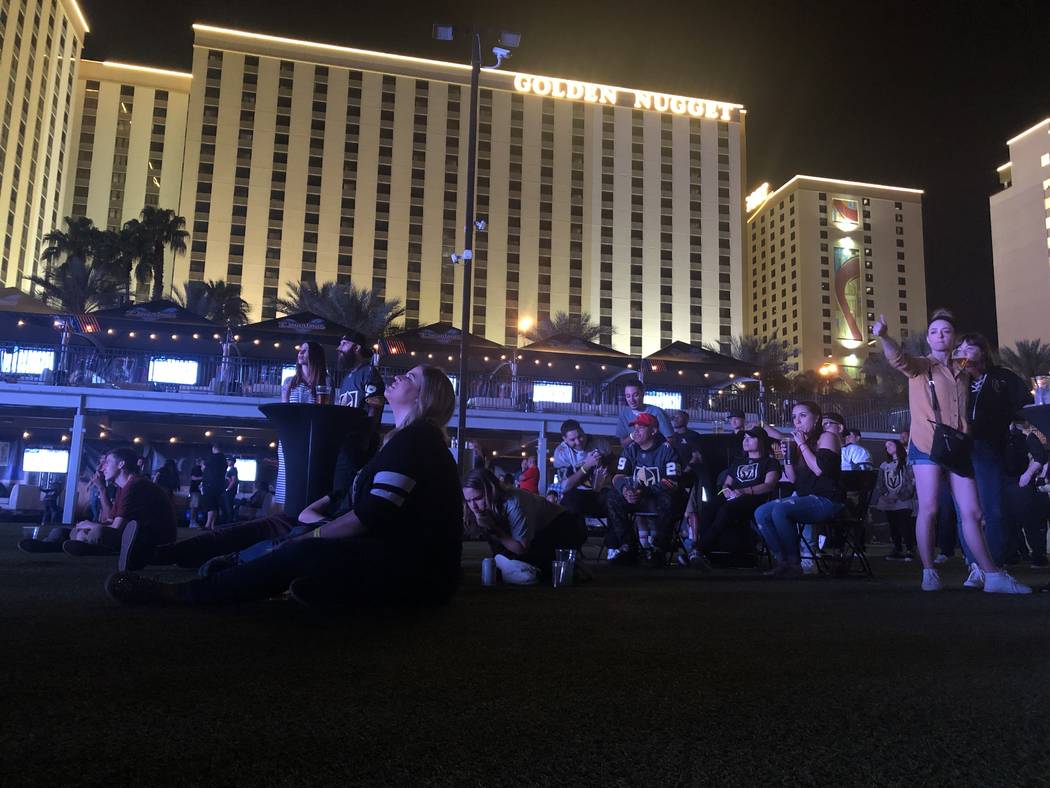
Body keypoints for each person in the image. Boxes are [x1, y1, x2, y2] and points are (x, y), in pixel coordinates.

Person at [106, 365, 463, 609]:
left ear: (424, 396)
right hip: (400, 560)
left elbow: (374, 514)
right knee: (287, 536)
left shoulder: (418, 441)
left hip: (418, 573)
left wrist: (314, 536)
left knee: (300, 550)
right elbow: (358, 500)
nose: (399, 376)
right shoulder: (403, 441)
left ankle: (182, 593)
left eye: (411, 377)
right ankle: (316, 588)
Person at [874, 310, 1029, 593]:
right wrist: (884, 336)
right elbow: (898, 359)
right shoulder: (921, 366)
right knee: (930, 508)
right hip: (926, 445)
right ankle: (929, 571)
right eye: (934, 331)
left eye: (945, 331)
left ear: (954, 337)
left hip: (958, 446)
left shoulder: (963, 370)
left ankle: (991, 575)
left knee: (973, 511)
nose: (940, 335)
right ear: (929, 338)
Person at [952, 332, 1032, 574]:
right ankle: (973, 565)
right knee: (964, 510)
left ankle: (994, 564)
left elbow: (1025, 406)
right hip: (960, 448)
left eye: (970, 347)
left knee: (993, 508)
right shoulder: (955, 378)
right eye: (960, 348)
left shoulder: (1001, 378)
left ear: (983, 351)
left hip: (989, 447)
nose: (964, 351)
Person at [125, 487, 349, 572]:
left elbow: (306, 514)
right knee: (227, 535)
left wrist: (331, 496)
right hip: (299, 526)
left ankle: (152, 554)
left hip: (301, 530)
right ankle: (160, 555)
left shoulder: (355, 512)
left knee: (229, 536)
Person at [756, 402, 845, 579]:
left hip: (828, 499)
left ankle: (794, 563)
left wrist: (802, 445)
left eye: (803, 416)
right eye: (794, 417)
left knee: (781, 509)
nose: (797, 421)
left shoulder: (827, 437)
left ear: (817, 418)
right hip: (805, 497)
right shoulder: (799, 443)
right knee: (762, 512)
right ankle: (782, 561)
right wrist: (787, 457)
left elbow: (819, 469)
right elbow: (793, 479)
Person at [55, 447, 176, 570]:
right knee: (67, 531)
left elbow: (116, 527)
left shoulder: (135, 485)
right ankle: (61, 543)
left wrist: (89, 525)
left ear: (121, 464)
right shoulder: (122, 487)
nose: (102, 468)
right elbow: (109, 518)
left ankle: (88, 545)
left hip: (154, 540)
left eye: (107, 462)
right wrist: (102, 489)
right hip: (133, 535)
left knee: (97, 532)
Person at [463, 468, 587, 584]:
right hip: (533, 535)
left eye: (478, 498)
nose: (473, 506)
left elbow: (521, 548)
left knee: (536, 571)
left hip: (561, 528)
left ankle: (572, 567)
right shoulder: (479, 508)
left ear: (491, 491)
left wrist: (494, 528)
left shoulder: (513, 501)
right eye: (468, 500)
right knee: (504, 564)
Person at [686, 426, 780, 566]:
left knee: (726, 510)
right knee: (708, 508)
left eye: (750, 438)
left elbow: (769, 485)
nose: (745, 441)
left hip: (754, 499)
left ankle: (698, 550)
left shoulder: (770, 462)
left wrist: (743, 491)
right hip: (732, 496)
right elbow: (726, 484)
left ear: (761, 441)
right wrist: (727, 492)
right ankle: (705, 552)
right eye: (744, 438)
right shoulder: (738, 462)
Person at [605, 412, 685, 567]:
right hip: (636, 497)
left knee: (668, 498)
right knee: (612, 497)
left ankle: (659, 550)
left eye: (641, 428)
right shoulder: (630, 449)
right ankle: (628, 547)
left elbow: (672, 482)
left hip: (658, 498)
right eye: (635, 428)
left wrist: (644, 491)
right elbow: (618, 476)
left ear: (654, 431)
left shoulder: (667, 449)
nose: (636, 431)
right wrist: (625, 491)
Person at [275, 340, 329, 508]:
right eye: (300, 350)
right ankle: (286, 513)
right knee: (287, 475)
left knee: (308, 477)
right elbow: (284, 413)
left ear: (315, 355)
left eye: (305, 350)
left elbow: (326, 411)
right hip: (290, 436)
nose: (300, 353)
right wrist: (284, 397)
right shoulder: (289, 382)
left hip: (312, 437)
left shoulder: (325, 381)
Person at [332, 332, 386, 499]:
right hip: (345, 444)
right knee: (339, 490)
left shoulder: (369, 372)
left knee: (349, 493)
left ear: (356, 347)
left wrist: (366, 439)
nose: (338, 348)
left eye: (343, 344)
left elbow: (374, 407)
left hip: (359, 445)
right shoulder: (347, 378)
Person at [1003, 422, 1050, 571]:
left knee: (1029, 521)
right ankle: (1018, 554)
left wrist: (1027, 475)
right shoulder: (1015, 436)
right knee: (1014, 521)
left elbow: (1039, 457)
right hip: (1014, 480)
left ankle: (1035, 555)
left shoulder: (1025, 436)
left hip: (1020, 481)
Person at [553, 419, 612, 520]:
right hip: (577, 494)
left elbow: (615, 467)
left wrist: (606, 469)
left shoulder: (600, 443)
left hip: (603, 491)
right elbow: (565, 487)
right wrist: (586, 466)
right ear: (564, 439)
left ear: (583, 431)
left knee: (616, 501)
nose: (578, 442)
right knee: (567, 504)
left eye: (580, 436)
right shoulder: (561, 453)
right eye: (572, 440)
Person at [873, 440, 917, 561]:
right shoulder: (884, 465)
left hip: (903, 499)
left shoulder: (907, 463)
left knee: (905, 525)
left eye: (890, 444)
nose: (887, 447)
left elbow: (911, 481)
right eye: (886, 446)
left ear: (898, 446)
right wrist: (885, 495)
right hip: (888, 500)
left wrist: (899, 496)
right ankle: (897, 548)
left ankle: (909, 548)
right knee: (893, 525)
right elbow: (880, 482)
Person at [615, 379, 673, 447]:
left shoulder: (657, 412)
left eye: (635, 395)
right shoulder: (624, 414)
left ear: (643, 394)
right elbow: (623, 444)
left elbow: (671, 440)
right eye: (628, 396)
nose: (632, 400)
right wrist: (632, 436)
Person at [201, 443, 227, 530]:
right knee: (215, 505)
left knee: (210, 504)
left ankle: (207, 525)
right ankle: (212, 525)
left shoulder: (212, 458)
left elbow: (204, 467)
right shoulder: (223, 459)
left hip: (210, 484)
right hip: (219, 485)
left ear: (214, 448)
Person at [188, 459, 204, 526]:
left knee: (195, 506)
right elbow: (193, 478)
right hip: (194, 490)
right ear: (199, 462)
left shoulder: (200, 469)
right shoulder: (196, 469)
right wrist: (203, 477)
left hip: (197, 490)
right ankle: (192, 522)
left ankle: (193, 521)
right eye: (203, 462)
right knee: (194, 506)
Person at [222, 456, 239, 523]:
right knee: (227, 504)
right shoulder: (230, 470)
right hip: (229, 490)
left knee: (228, 505)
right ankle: (228, 520)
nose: (227, 462)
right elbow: (231, 480)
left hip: (230, 491)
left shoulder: (233, 470)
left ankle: (229, 521)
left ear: (233, 462)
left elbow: (233, 480)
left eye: (229, 461)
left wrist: (227, 489)